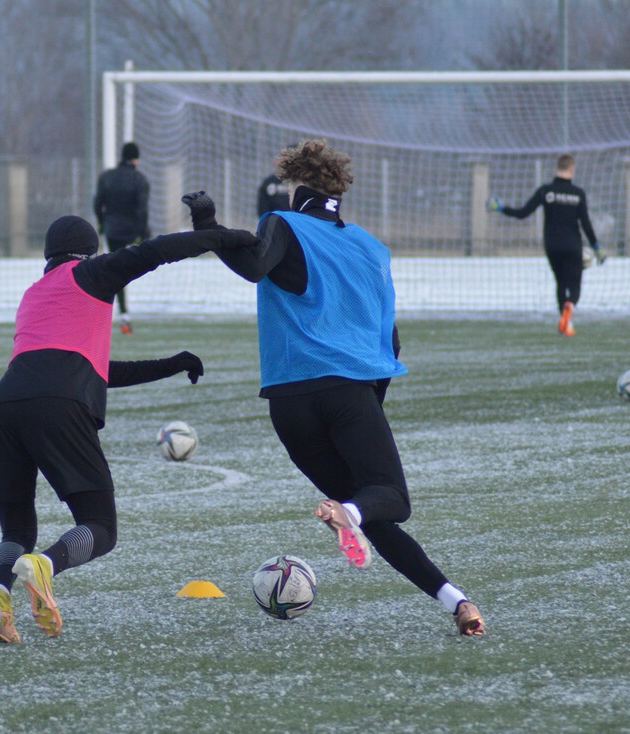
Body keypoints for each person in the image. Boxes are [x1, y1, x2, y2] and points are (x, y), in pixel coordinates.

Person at [213, 140, 486, 636]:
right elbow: (390, 342)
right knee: (389, 501)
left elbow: (254, 268)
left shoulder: (280, 222)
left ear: (296, 191)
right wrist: (367, 408)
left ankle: (457, 601)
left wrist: (209, 231)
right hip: (349, 393)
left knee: (372, 515)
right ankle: (349, 512)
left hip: (289, 403)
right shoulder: (370, 248)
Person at [0, 196, 255, 643]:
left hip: (5, 405)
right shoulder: (92, 274)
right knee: (101, 527)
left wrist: (171, 363)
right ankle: (45, 566)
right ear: (90, 253)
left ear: (47, 257)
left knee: (15, 530)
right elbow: (157, 250)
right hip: (59, 404)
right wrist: (228, 237)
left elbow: (96, 371)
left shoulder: (35, 293)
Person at [487, 154, 603, 336]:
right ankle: (570, 306)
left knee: (560, 282)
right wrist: (597, 247)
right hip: (573, 244)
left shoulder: (546, 191)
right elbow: (586, 223)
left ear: (556, 168)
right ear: (572, 169)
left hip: (552, 245)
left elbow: (523, 213)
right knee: (575, 284)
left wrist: (501, 208)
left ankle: (566, 324)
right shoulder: (578, 193)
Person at [93, 141, 151, 334]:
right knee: (130, 269)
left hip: (113, 230)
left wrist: (102, 223)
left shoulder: (107, 177)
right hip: (132, 232)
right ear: (135, 159)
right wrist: (143, 233)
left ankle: (122, 313)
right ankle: (124, 316)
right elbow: (142, 210)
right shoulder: (140, 180)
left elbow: (97, 203)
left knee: (117, 271)